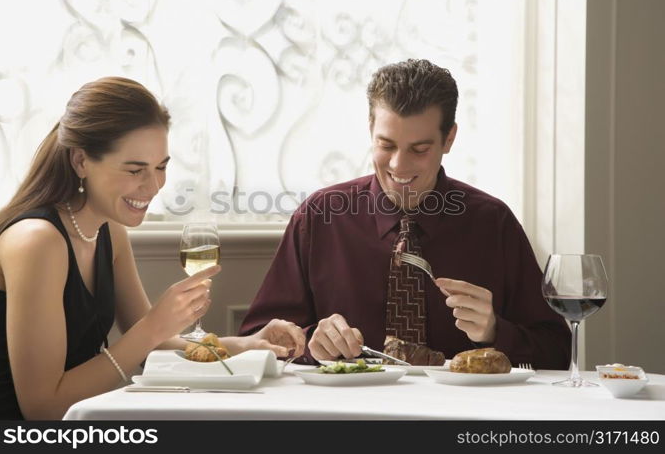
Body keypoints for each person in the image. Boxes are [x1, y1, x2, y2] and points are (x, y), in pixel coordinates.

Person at [0, 77, 305, 420]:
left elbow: (155, 345)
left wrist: (245, 345)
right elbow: (43, 409)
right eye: (134, 169)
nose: (154, 184)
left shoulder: (108, 231)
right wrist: (155, 326)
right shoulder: (37, 241)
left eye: (161, 167)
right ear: (81, 162)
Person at [239, 59, 570, 369]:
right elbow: (254, 341)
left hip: (462, 417)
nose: (399, 165)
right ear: (371, 129)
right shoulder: (319, 217)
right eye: (386, 145)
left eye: (419, 149)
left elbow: (557, 349)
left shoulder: (493, 223)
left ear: (449, 139)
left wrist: (495, 332)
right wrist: (311, 343)